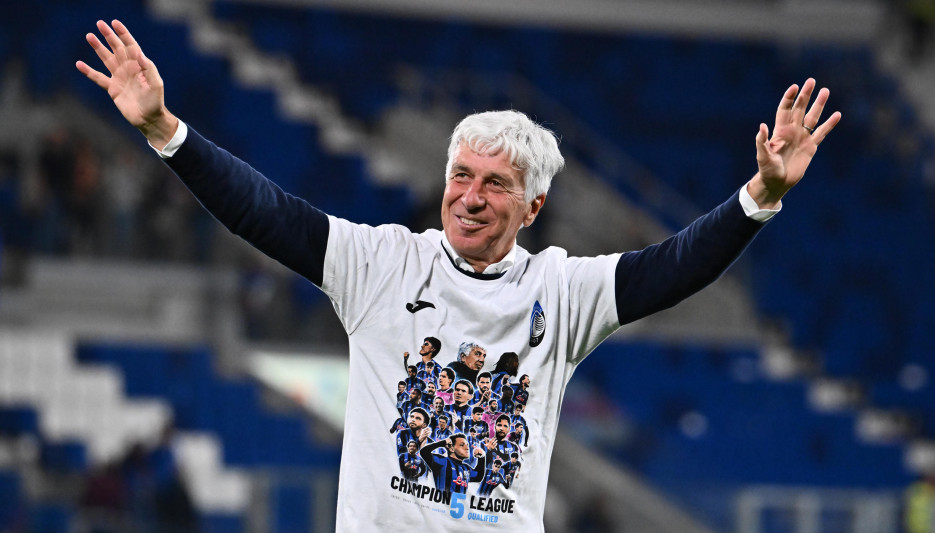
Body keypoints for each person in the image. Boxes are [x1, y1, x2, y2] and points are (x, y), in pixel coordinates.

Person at [77, 19, 840, 531]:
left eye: (495, 183)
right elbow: (265, 212)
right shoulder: (382, 263)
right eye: (461, 176)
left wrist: (761, 195)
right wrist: (165, 131)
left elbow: (675, 267)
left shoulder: (561, 291)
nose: (470, 196)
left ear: (533, 205)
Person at [420, 434, 486, 496]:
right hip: (442, 503)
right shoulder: (443, 462)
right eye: (462, 445)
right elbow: (424, 452)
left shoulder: (466, 468)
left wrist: (482, 458)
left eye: (467, 445)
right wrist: (442, 443)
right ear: (452, 449)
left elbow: (478, 477)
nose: (467, 448)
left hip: (459, 504)